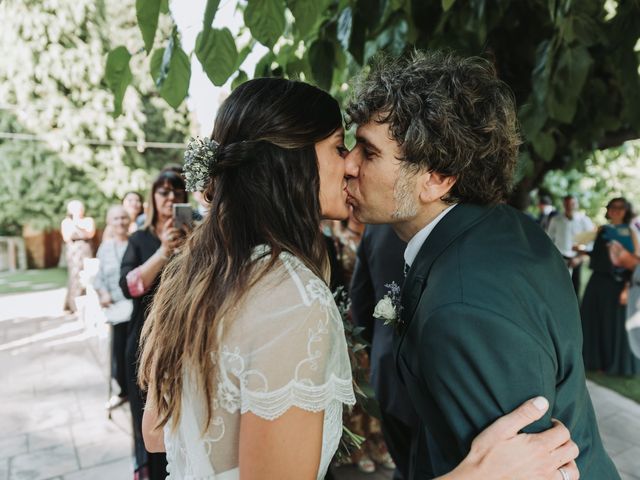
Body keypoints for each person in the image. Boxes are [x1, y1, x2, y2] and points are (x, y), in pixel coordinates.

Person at [136, 78, 578, 480]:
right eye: (338, 147)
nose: (348, 165)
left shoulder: (202, 272)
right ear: (292, 164)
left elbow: (158, 432)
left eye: (363, 151)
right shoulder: (291, 298)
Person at [344, 51, 616, 479]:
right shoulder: (504, 228)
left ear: (436, 178)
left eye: (368, 152)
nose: (348, 164)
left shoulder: (463, 307)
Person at [119, 169, 190, 480]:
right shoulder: (140, 239)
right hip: (144, 346)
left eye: (176, 190)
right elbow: (129, 286)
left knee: (186, 425)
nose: (170, 197)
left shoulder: (198, 237)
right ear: (153, 197)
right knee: (150, 428)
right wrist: (163, 252)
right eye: (163, 191)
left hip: (188, 344)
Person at [350, 224, 416, 479]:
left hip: (386, 365)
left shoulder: (376, 229)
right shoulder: (458, 223)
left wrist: (376, 342)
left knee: (404, 463)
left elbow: (360, 298)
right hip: (442, 377)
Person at [581, 197, 640, 375]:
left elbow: (635, 261)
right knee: (593, 320)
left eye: (620, 207)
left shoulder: (630, 231)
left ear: (626, 210)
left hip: (618, 283)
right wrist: (581, 251)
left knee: (613, 325)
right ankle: (594, 362)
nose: (616, 210)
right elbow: (598, 256)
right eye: (613, 207)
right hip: (598, 281)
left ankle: (613, 365)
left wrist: (626, 288)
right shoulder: (603, 230)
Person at [94, 205, 132, 410]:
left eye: (124, 218)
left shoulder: (135, 242)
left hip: (135, 306)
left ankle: (137, 388)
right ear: (110, 222)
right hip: (116, 307)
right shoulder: (105, 248)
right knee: (118, 351)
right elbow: (98, 279)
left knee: (132, 351)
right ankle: (123, 390)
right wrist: (103, 293)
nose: (120, 222)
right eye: (116, 219)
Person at [547, 194, 595, 296]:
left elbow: (591, 242)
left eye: (572, 203)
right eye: (567, 204)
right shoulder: (556, 220)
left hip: (577, 258)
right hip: (560, 257)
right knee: (557, 287)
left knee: (575, 289)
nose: (569, 206)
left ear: (576, 204)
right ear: (564, 205)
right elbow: (549, 239)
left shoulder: (584, 220)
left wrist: (580, 258)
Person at [61, 199, 95, 313]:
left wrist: (78, 226)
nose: (78, 211)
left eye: (79, 208)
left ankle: (86, 301)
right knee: (74, 275)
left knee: (86, 274)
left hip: (85, 247)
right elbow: (67, 237)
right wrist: (80, 230)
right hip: (73, 249)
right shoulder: (66, 222)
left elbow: (90, 234)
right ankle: (72, 304)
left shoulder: (88, 220)